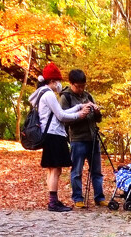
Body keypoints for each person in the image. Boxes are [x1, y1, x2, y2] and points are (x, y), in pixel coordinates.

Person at [28, 62, 94, 212]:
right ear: (52, 81)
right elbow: (61, 116)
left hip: (49, 135)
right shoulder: (49, 94)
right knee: (55, 170)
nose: (59, 84)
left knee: (52, 170)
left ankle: (54, 200)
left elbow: (59, 112)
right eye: (57, 81)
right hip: (54, 135)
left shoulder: (41, 93)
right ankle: (53, 202)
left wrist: (78, 107)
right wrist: (79, 115)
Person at [59, 69, 105, 208]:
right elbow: (63, 119)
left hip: (92, 138)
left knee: (96, 171)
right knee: (77, 171)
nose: (80, 89)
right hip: (77, 139)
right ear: (71, 84)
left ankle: (99, 197)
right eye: (78, 86)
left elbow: (99, 119)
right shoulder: (65, 97)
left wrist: (96, 112)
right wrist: (80, 114)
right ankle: (78, 198)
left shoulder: (88, 96)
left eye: (83, 86)